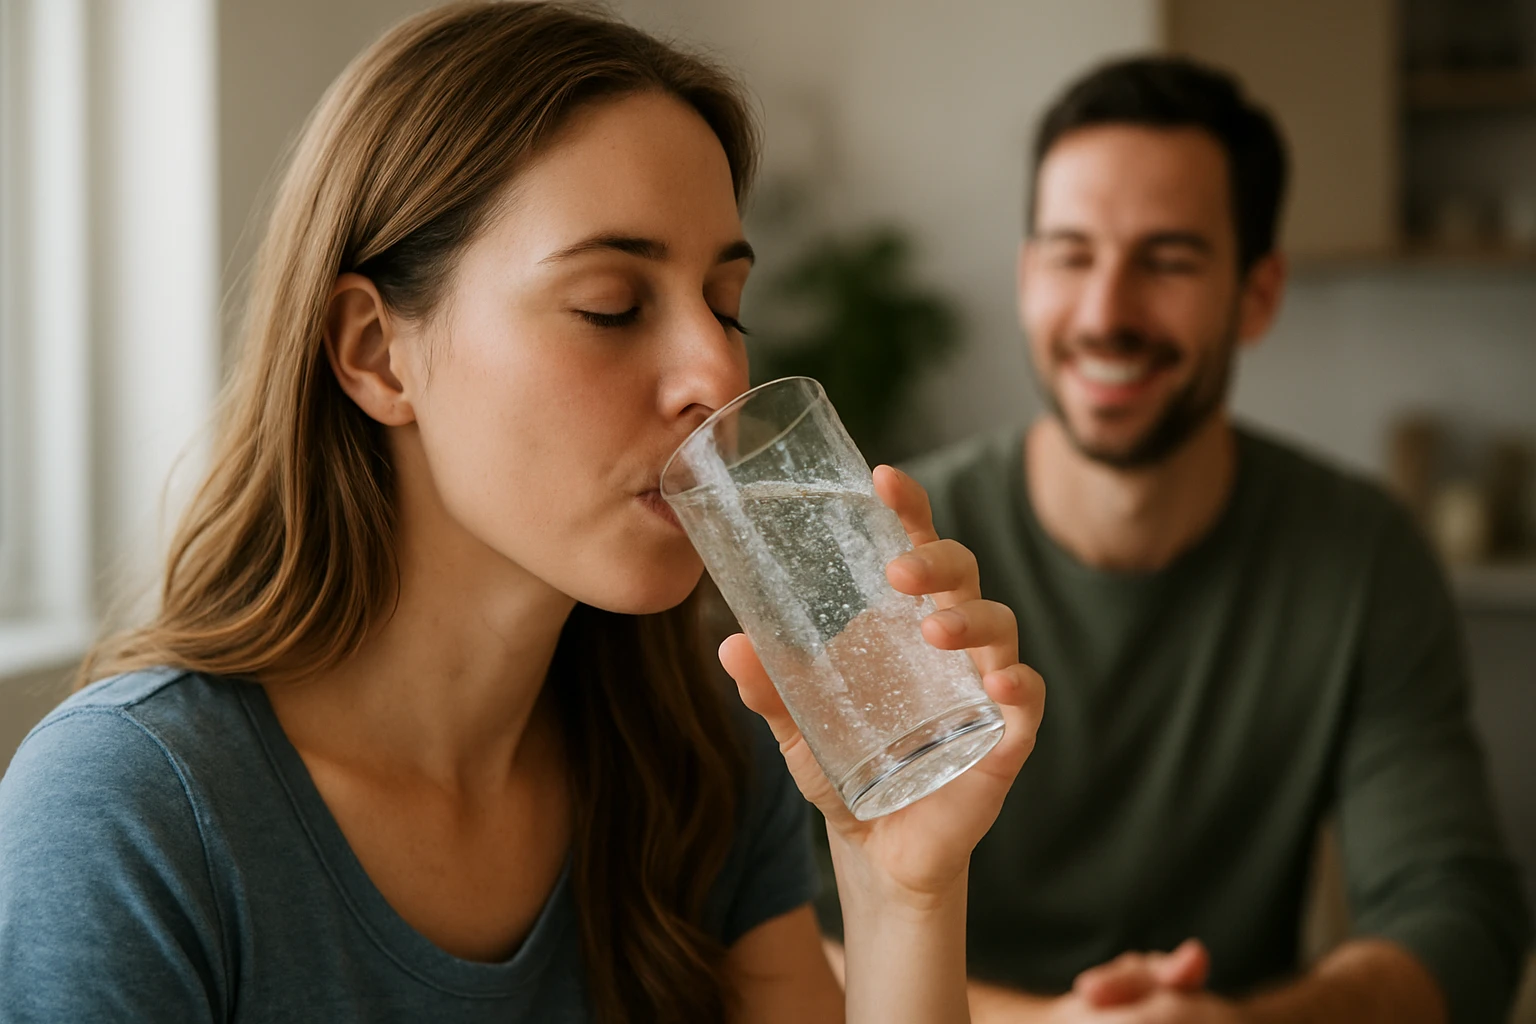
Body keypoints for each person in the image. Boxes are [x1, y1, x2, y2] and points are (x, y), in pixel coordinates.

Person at [0, 5, 1046, 1022]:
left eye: (726, 305)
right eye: (610, 306)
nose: (716, 370)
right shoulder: (131, 811)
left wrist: (904, 888)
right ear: (374, 353)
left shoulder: (702, 763)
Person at [820, 56, 1528, 1024]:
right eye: (1071, 254)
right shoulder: (900, 551)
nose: (1107, 313)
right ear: (1029, 275)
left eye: (1168, 260)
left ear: (1258, 292)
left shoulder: (1360, 552)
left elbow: (1460, 916)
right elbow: (771, 926)